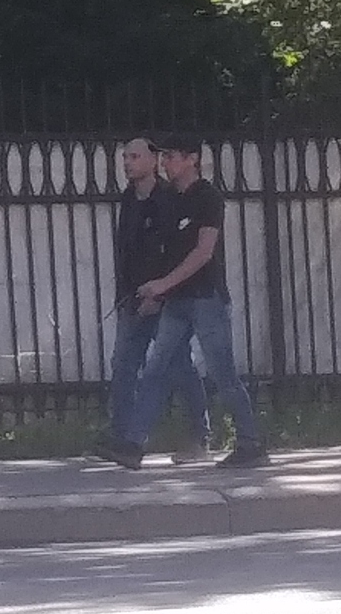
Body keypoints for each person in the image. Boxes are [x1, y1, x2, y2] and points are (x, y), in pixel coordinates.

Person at [105, 138, 269, 470]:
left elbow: (203, 252)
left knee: (223, 373)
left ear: (192, 159)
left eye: (171, 156)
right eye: (163, 156)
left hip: (206, 299)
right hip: (177, 302)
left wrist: (162, 285)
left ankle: (250, 443)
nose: (165, 162)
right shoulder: (170, 199)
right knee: (154, 369)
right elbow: (165, 252)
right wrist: (159, 293)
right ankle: (132, 445)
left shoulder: (207, 198)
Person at [107, 134, 212, 461]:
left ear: (153, 161)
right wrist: (126, 294)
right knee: (124, 364)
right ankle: (122, 437)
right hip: (132, 298)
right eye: (125, 157)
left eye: (135, 157)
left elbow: (171, 252)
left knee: (179, 367)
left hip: (162, 299)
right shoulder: (128, 199)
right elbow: (126, 250)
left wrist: (161, 291)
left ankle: (200, 434)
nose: (128, 163)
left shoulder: (169, 199)